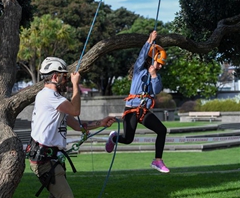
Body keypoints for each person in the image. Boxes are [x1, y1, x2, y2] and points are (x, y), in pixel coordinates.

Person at [27, 57, 116, 198]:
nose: (66, 79)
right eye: (64, 76)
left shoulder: (53, 99)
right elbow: (75, 110)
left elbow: (75, 124)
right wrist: (76, 84)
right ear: (55, 77)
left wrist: (101, 122)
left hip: (52, 159)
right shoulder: (48, 96)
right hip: (45, 160)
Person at [105, 30, 170, 173]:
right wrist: (149, 41)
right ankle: (114, 138)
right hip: (131, 109)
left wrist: (154, 75)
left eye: (161, 65)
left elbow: (156, 90)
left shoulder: (156, 76)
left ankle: (157, 160)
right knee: (128, 139)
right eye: (158, 63)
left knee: (162, 130)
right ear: (151, 59)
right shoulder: (138, 70)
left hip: (144, 111)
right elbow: (141, 57)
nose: (159, 66)